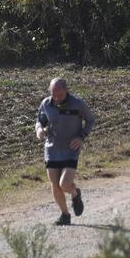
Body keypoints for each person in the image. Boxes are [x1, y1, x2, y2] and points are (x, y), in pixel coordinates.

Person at [36, 77, 95, 226]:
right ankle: (65, 215)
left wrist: (82, 137)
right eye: (53, 94)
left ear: (67, 91)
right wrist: (39, 130)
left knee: (64, 184)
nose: (56, 98)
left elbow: (90, 120)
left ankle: (75, 193)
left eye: (60, 95)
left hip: (71, 149)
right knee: (55, 185)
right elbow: (40, 120)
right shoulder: (46, 103)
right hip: (51, 149)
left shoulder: (78, 104)